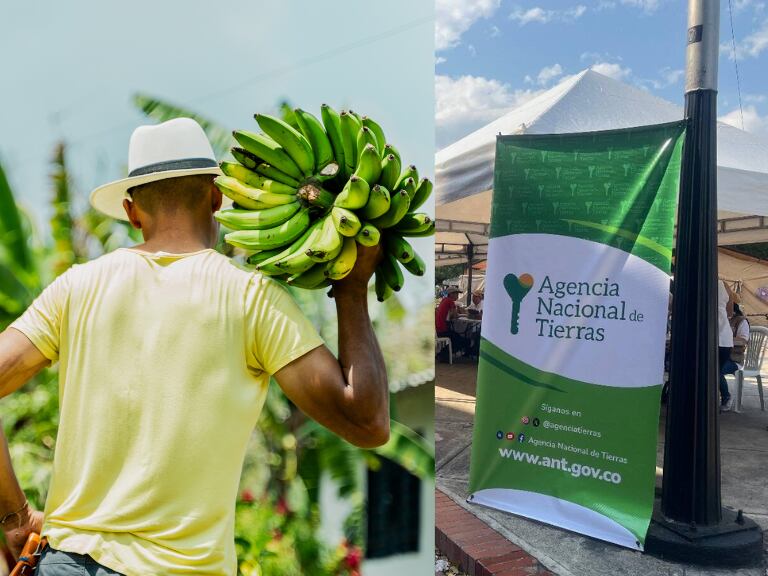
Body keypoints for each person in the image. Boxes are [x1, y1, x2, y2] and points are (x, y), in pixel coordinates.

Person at [0, 118, 389, 575]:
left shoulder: (75, 288)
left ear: (132, 212)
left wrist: (16, 516)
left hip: (67, 567)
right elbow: (367, 423)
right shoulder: (252, 298)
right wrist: (352, 286)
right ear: (218, 200)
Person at [720, 303, 751, 412]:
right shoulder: (721, 319)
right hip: (720, 356)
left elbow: (743, 340)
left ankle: (726, 397)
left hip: (734, 359)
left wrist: (726, 338)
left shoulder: (741, 321)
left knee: (715, 370)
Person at [718, 279, 736, 411]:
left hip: (713, 337)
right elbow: (730, 312)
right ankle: (724, 397)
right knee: (715, 372)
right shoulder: (724, 284)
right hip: (724, 338)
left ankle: (725, 396)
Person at [436, 286, 467, 359]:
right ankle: (443, 355)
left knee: (457, 337)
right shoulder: (450, 301)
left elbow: (451, 315)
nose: (457, 295)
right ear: (451, 294)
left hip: (439, 329)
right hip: (443, 329)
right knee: (461, 340)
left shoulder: (444, 300)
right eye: (456, 294)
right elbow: (455, 315)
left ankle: (443, 354)